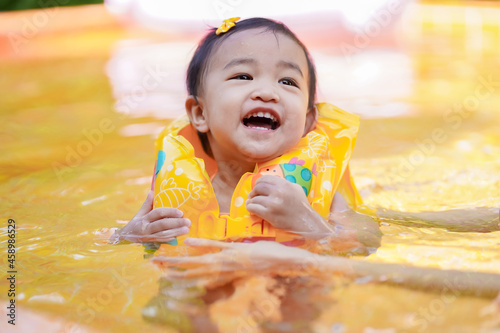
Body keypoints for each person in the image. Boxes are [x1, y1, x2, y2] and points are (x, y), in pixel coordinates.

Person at [111, 17, 382, 255]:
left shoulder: (315, 193)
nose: (267, 92)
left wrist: (307, 222)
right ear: (200, 113)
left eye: (287, 81)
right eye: (243, 76)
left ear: (309, 122)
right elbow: (105, 245)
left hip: (291, 296)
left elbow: (363, 245)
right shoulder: (180, 193)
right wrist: (132, 235)